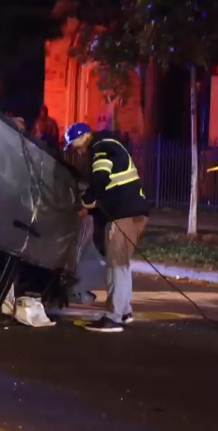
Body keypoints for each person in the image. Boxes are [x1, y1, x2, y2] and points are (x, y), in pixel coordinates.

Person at [64, 122, 149, 333]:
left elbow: (101, 178)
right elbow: (110, 185)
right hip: (133, 213)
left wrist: (86, 200)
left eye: (75, 145)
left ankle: (114, 317)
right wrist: (92, 208)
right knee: (121, 265)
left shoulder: (101, 147)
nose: (77, 150)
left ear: (83, 137)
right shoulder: (111, 145)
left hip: (124, 215)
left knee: (115, 266)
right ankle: (124, 311)